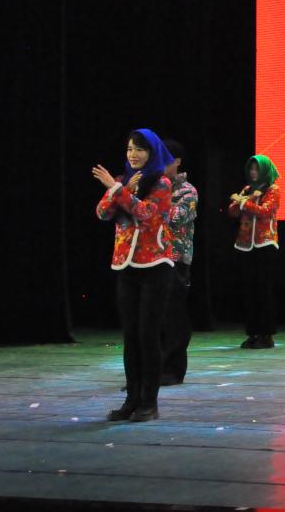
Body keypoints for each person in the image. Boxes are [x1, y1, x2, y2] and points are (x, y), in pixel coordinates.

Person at [92, 128, 175, 422]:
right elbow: (102, 213)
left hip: (155, 265)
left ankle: (149, 402)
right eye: (129, 149)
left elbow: (146, 213)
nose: (133, 154)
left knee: (147, 335)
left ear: (152, 153)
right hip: (126, 264)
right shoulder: (123, 181)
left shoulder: (162, 183)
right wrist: (117, 189)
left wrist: (118, 190)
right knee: (130, 336)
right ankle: (131, 400)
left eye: (139, 149)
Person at [229, 154, 281, 349]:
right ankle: (252, 333)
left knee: (263, 291)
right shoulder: (248, 189)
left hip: (264, 244)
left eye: (257, 169)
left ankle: (266, 335)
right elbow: (232, 211)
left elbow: (266, 211)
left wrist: (243, 202)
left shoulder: (273, 190)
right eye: (251, 169)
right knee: (249, 291)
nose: (253, 172)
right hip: (245, 244)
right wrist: (240, 202)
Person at [160, 139, 197, 385]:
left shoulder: (187, 191)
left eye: (166, 158)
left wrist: (155, 200)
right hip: (153, 257)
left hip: (177, 258)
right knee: (154, 316)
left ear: (178, 162)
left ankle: (173, 369)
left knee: (174, 315)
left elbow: (175, 217)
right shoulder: (151, 185)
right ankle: (152, 369)